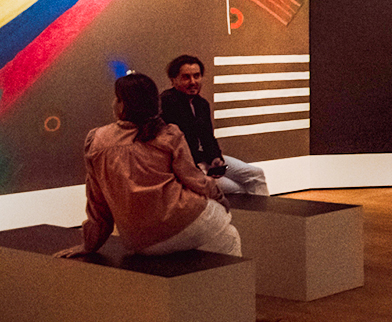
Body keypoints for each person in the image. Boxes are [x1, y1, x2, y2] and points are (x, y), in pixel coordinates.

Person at [56, 72, 241, 258]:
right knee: (230, 232)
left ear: (123, 104)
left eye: (116, 98)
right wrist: (219, 198)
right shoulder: (168, 134)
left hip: (141, 242)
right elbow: (195, 180)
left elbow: (97, 203)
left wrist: (89, 245)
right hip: (186, 220)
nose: (113, 103)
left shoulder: (96, 141)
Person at [160, 54, 269, 196]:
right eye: (186, 77)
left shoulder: (201, 104)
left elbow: (207, 137)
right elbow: (171, 148)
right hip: (188, 167)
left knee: (256, 174)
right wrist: (198, 171)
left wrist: (215, 158)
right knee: (238, 191)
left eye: (197, 76)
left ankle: (264, 217)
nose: (193, 81)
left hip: (205, 159)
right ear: (173, 80)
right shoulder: (166, 104)